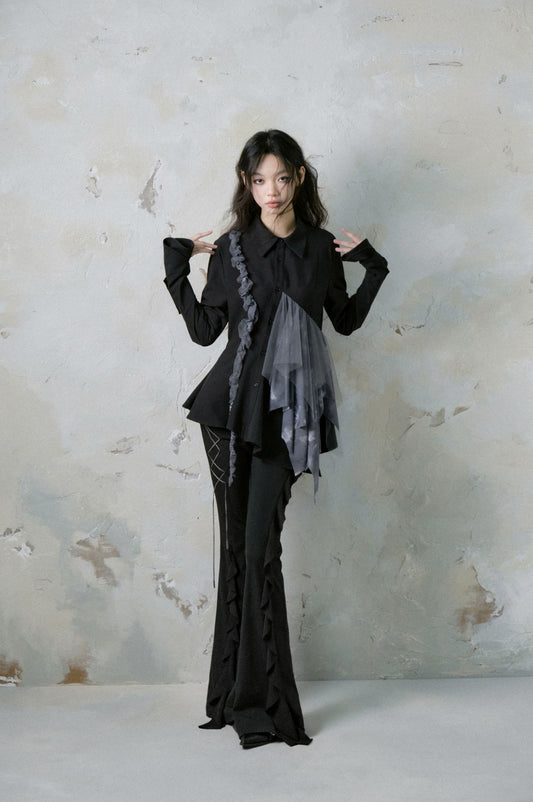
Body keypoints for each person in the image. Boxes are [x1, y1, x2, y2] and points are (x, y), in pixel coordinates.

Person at [163, 129, 389, 749]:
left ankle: (265, 704)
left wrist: (374, 268)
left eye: (282, 178)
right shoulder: (233, 248)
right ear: (247, 182)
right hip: (226, 414)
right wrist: (177, 267)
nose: (271, 191)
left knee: (261, 549)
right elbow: (206, 331)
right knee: (238, 549)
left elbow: (344, 321)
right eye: (259, 180)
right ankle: (233, 699)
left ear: (299, 179)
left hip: (288, 420)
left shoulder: (320, 248)